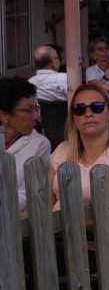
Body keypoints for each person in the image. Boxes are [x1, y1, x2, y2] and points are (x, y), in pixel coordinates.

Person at [49, 82, 109, 209]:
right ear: (73, 117)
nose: (88, 114)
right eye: (79, 109)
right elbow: (46, 204)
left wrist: (61, 226)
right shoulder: (61, 150)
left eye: (97, 107)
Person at [0, 77, 51, 213]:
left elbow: (29, 194)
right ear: (4, 115)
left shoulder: (40, 144)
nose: (36, 117)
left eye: (36, 109)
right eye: (28, 110)